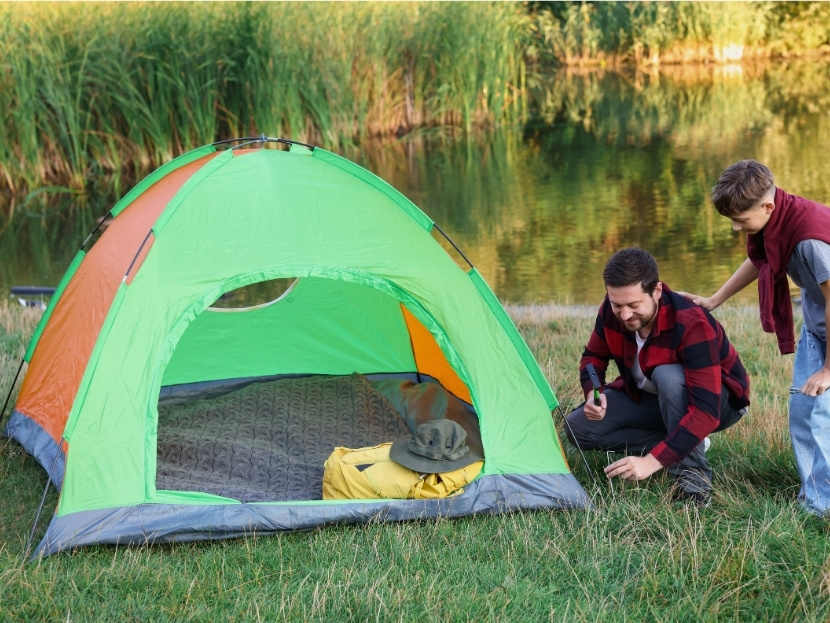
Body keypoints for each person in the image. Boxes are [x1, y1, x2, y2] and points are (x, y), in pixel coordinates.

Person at [680, 159, 830, 516]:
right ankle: (817, 501)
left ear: (767, 206)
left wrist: (827, 369)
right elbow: (760, 260)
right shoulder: (775, 220)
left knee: (817, 414)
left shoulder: (809, 239)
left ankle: (821, 506)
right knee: (806, 411)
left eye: (741, 220)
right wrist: (715, 299)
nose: (736, 228)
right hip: (818, 327)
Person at [565, 247, 750, 506]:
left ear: (657, 291)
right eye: (617, 304)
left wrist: (650, 463)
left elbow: (705, 411)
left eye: (634, 305)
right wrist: (593, 392)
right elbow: (593, 356)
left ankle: (693, 486)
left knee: (668, 375)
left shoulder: (691, 322)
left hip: (718, 403)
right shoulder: (610, 310)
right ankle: (685, 442)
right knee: (579, 428)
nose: (625, 314)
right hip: (650, 397)